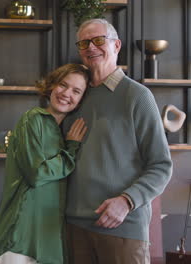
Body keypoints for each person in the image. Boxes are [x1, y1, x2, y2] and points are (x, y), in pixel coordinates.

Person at [63, 18, 173, 264]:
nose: (91, 47)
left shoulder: (137, 96)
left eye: (99, 40)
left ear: (117, 45)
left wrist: (127, 201)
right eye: (84, 43)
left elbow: (161, 166)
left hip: (122, 227)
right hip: (74, 227)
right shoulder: (75, 96)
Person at [0, 63, 90, 264]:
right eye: (63, 84)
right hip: (19, 238)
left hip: (49, 243)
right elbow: (36, 174)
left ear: (80, 101)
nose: (66, 93)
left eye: (76, 91)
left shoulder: (63, 132)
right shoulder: (33, 119)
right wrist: (70, 150)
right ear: (52, 86)